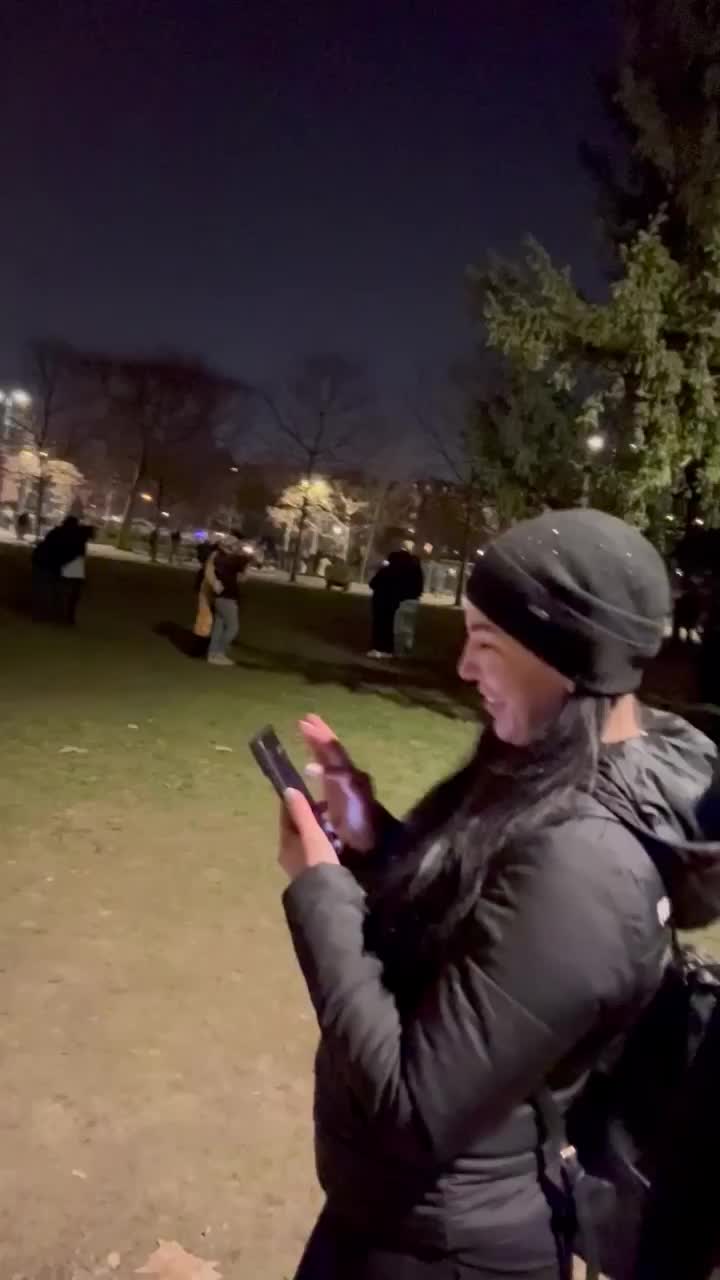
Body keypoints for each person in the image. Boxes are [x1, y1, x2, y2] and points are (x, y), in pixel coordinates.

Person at [276, 509, 720, 1280]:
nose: (462, 668)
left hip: (447, 1253)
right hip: (395, 1223)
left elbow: (412, 1111)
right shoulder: (545, 775)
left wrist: (320, 888)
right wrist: (371, 838)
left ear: (568, 656)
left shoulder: (586, 865)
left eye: (486, 642)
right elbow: (479, 928)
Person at [32, 515, 93, 624]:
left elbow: (47, 547)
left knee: (53, 590)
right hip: (66, 565)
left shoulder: (57, 532)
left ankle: (50, 613)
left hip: (52, 563)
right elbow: (79, 555)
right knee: (69, 593)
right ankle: (66, 616)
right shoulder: (78, 537)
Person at [368, 546, 424, 658]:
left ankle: (379, 649)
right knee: (393, 627)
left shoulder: (387, 570)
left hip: (381, 602)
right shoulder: (409, 572)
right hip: (395, 603)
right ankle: (391, 649)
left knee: (380, 626)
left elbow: (373, 583)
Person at [206, 534, 249, 667]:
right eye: (235, 546)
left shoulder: (218, 557)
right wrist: (247, 562)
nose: (237, 548)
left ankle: (212, 654)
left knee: (218, 627)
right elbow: (243, 577)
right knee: (233, 628)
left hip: (219, 597)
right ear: (229, 547)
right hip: (228, 598)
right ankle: (220, 652)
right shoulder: (231, 560)